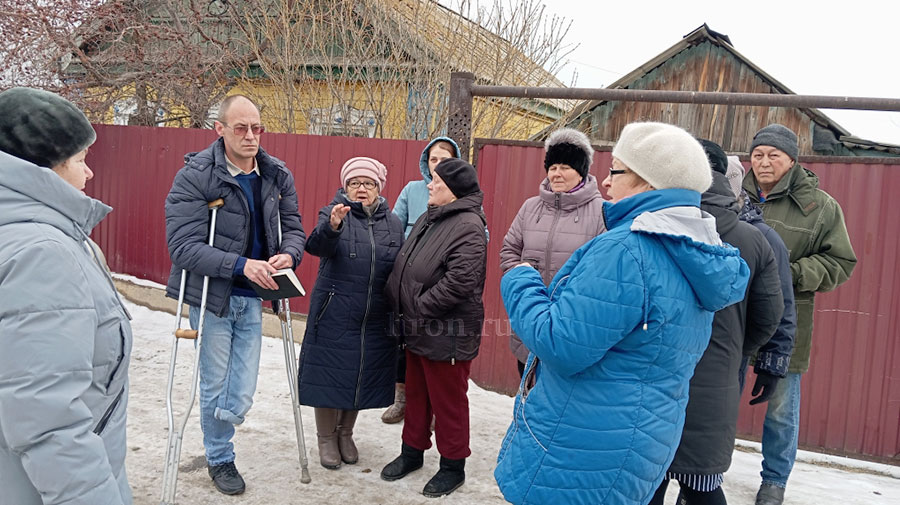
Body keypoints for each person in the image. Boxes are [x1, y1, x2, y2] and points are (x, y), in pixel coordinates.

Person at [494, 122, 750, 505]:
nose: (607, 183)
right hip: (641, 438)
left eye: (617, 171)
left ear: (648, 181)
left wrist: (521, 279)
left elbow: (560, 343)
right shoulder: (695, 248)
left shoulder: (627, 251)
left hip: (584, 443)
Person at [164, 94, 306, 495]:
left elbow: (294, 228)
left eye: (256, 128)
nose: (250, 136)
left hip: (257, 296)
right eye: (240, 127)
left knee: (240, 389)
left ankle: (225, 419)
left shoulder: (277, 175)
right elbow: (183, 246)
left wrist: (288, 254)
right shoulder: (195, 176)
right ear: (220, 129)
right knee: (214, 382)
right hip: (212, 295)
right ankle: (220, 457)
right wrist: (243, 265)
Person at [0, 87, 133, 504]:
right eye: (80, 160)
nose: (88, 174)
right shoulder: (43, 254)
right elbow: (47, 417)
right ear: (43, 170)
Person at [649, 139, 784, 505]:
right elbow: (770, 315)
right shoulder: (752, 239)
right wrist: (736, 349)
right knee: (703, 487)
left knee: (647, 485)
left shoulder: (649, 228)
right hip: (717, 382)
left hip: (653, 383)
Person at [742, 124, 857, 505]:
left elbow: (841, 261)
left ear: (792, 159)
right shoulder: (734, 197)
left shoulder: (820, 206)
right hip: (735, 321)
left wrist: (789, 274)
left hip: (787, 324)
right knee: (721, 399)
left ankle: (774, 481)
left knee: (781, 411)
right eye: (758, 155)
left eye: (773, 155)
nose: (764, 162)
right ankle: (706, 471)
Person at [380, 158, 488, 498]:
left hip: (448, 333)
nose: (429, 185)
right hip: (417, 327)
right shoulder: (431, 216)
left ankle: (452, 466)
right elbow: (409, 261)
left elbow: (460, 281)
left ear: (453, 190)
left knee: (448, 403)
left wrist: (418, 309)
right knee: (416, 395)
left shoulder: (469, 226)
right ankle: (412, 453)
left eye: (437, 182)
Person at [297, 157, 404, 469]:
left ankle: (346, 433)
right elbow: (316, 246)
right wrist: (333, 226)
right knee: (330, 373)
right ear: (345, 187)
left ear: (378, 189)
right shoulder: (333, 214)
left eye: (368, 183)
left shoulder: (392, 222)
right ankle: (326, 437)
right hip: (336, 310)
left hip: (374, 314)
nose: (361, 188)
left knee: (359, 373)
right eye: (354, 183)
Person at [500, 128, 606, 377]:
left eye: (565, 167)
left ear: (581, 170)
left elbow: (603, 268)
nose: (557, 173)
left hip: (572, 325)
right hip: (530, 319)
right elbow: (509, 250)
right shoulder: (530, 207)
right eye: (552, 166)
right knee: (526, 393)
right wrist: (523, 283)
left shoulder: (602, 211)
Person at [382, 136, 461, 424]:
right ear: (426, 163)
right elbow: (393, 227)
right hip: (409, 281)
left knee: (433, 348)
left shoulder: (461, 194)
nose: (438, 165)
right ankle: (402, 399)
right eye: (434, 159)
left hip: (440, 283)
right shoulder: (414, 190)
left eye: (445, 159)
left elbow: (479, 235)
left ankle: (429, 408)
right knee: (404, 345)